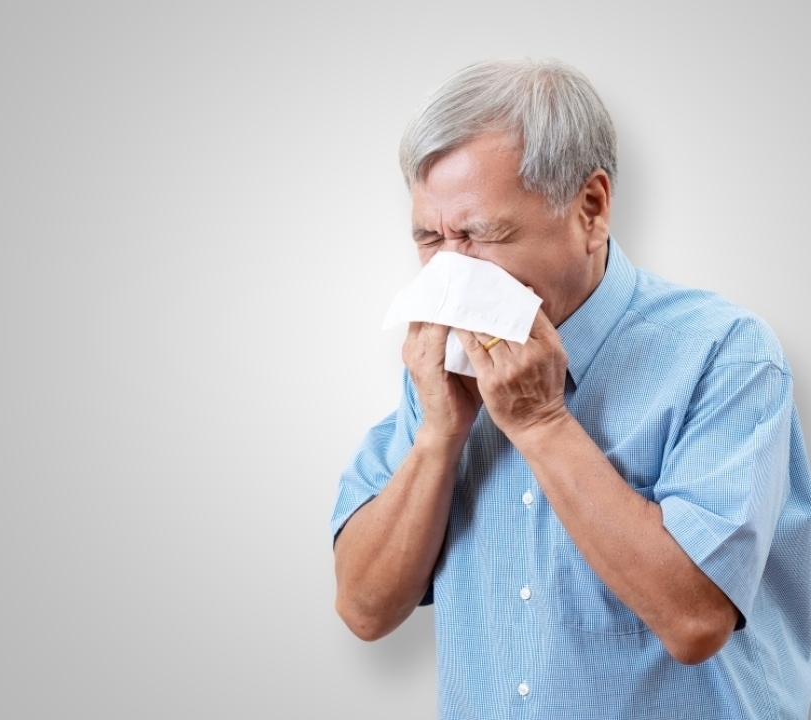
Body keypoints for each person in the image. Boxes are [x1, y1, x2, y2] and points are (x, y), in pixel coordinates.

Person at [331, 58, 811, 720]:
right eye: (429, 240)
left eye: (480, 236)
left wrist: (542, 425)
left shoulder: (725, 356)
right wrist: (438, 437)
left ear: (591, 208)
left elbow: (696, 621)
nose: (448, 277)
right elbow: (363, 608)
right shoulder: (444, 367)